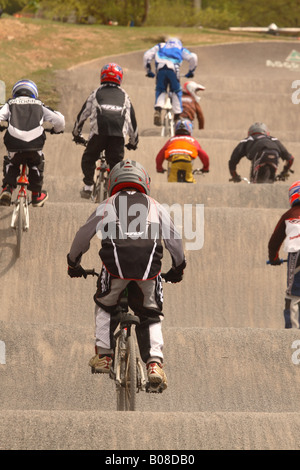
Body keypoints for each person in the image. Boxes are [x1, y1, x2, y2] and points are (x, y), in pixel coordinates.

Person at [67, 159, 186, 391]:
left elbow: (83, 236)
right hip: (149, 272)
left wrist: (73, 262)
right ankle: (154, 364)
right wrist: (178, 268)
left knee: (104, 304)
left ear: (113, 182)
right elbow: (175, 240)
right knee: (151, 313)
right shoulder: (155, 206)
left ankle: (104, 355)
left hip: (114, 269)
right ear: (144, 182)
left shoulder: (108, 204)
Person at [72, 62, 139, 199]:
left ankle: (89, 186)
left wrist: (76, 134)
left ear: (102, 76)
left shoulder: (96, 93)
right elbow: (132, 121)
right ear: (120, 78)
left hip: (99, 133)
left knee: (89, 158)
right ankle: (116, 191)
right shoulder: (125, 96)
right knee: (116, 164)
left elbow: (82, 115)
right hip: (118, 135)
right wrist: (133, 141)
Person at [0, 79, 65, 207]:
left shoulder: (10, 103)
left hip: (14, 144)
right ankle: (36, 194)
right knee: (37, 162)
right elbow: (60, 120)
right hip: (35, 144)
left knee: (11, 162)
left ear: (15, 92)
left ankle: (7, 189)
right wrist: (56, 130)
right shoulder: (39, 104)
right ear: (33, 92)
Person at [143, 37, 198, 126]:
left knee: (160, 90)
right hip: (173, 69)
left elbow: (146, 56)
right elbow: (193, 58)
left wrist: (148, 71)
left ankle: (158, 110)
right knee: (176, 91)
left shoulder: (160, 45)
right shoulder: (180, 48)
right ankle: (177, 115)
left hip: (160, 69)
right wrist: (191, 71)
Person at [268, 181, 300, 329]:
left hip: (297, 253)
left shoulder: (289, 215)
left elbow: (274, 241)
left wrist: (273, 258)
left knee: (293, 294)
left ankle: (292, 334)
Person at [229, 122, 294, 183]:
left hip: (260, 155)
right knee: (271, 184)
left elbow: (233, 160)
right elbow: (290, 159)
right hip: (275, 155)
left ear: (250, 132)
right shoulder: (273, 139)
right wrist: (284, 172)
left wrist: (234, 175)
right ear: (266, 132)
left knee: (254, 185)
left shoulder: (247, 139)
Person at [156, 119, 209, 183]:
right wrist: (205, 167)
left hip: (174, 161)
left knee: (172, 183)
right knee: (190, 182)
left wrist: (159, 168)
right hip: (187, 161)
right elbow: (203, 155)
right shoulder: (192, 140)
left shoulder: (171, 140)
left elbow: (160, 155)